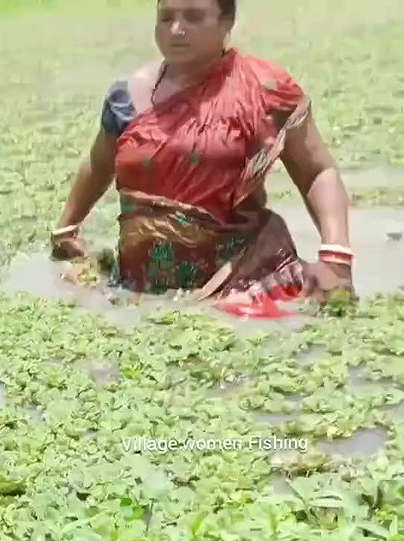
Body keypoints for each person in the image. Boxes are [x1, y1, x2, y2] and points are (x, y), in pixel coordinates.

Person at [50, 0, 354, 318]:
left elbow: (317, 171)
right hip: (138, 287)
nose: (176, 30)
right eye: (165, 18)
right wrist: (66, 230)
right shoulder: (126, 97)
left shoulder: (265, 91)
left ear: (227, 21)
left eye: (193, 17)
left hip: (246, 284)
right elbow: (99, 164)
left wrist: (336, 257)